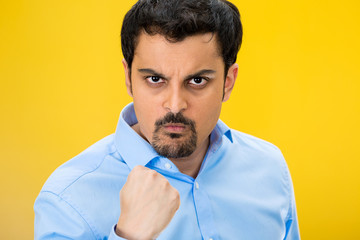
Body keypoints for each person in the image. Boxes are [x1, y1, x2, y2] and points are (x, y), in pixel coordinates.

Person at [34, 0, 300, 239]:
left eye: (197, 81)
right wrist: (130, 237)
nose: (175, 105)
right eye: (155, 79)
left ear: (228, 82)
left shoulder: (269, 168)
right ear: (128, 79)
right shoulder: (67, 199)